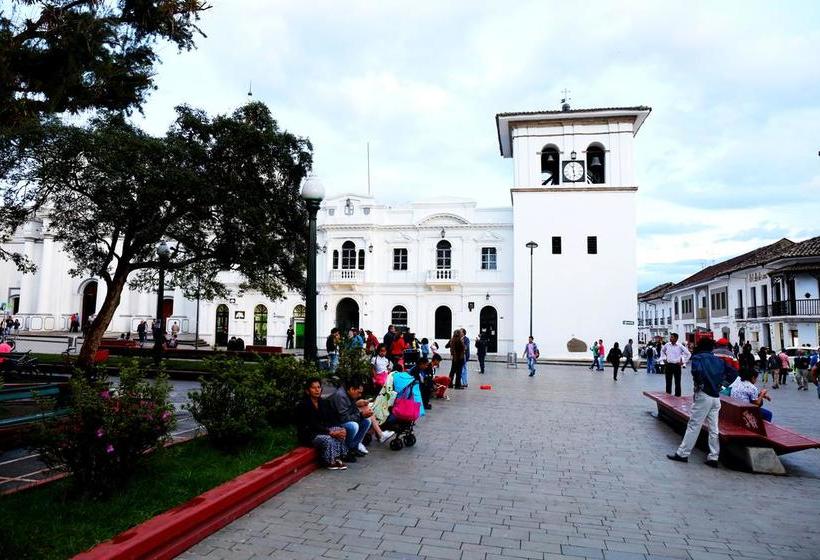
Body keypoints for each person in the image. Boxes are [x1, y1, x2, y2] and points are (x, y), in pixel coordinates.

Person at [667, 338, 734, 468]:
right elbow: (732, 373)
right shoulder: (718, 360)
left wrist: (700, 384)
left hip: (703, 395)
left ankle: (683, 454)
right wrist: (721, 386)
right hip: (716, 397)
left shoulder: (698, 358)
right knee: (714, 428)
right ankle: (713, 457)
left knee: (694, 425)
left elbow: (696, 371)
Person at [295, 377, 348, 470]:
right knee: (328, 439)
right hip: (310, 434)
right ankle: (328, 461)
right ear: (307, 391)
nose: (317, 390)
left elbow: (332, 418)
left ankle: (337, 458)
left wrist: (340, 428)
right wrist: (329, 432)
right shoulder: (303, 405)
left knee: (340, 433)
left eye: (319, 387)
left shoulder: (323, 403)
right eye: (313, 388)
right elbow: (312, 425)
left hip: (323, 430)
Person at [326, 377, 373, 461]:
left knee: (367, 421)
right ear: (352, 389)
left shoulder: (349, 394)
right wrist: (361, 415)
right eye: (358, 392)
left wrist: (359, 407)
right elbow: (344, 418)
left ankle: (353, 447)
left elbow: (352, 412)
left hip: (342, 419)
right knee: (353, 426)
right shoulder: (341, 396)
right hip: (335, 422)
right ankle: (345, 451)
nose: (360, 395)